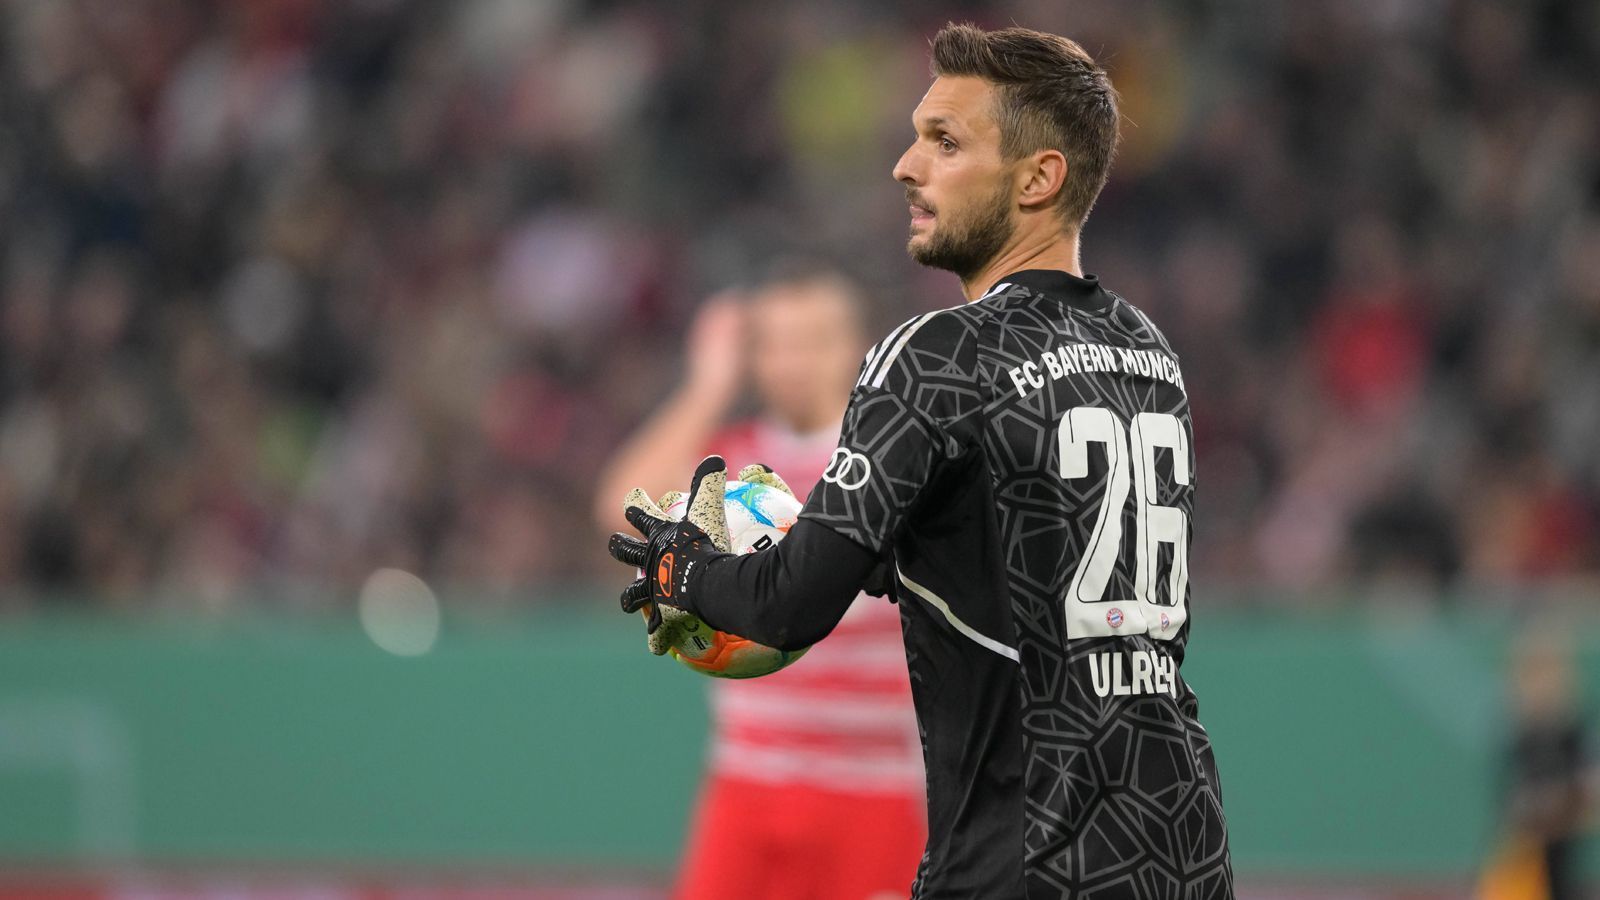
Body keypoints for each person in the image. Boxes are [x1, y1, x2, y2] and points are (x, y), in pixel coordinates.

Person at [609, 23, 1233, 898]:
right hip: (1181, 849)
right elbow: (1034, 572)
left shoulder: (937, 353)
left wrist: (683, 569)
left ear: (1039, 178)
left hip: (1024, 859)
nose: (905, 165)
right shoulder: (1148, 351)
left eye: (944, 141)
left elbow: (786, 604)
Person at [594, 270, 927, 900]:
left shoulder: (891, 462)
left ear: (855, 347)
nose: (792, 361)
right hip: (747, 779)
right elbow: (620, 506)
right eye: (773, 343)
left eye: (812, 340)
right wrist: (709, 384)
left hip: (872, 785)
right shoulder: (727, 466)